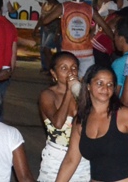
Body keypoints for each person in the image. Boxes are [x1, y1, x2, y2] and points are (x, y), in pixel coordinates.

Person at [55, 65, 128, 182]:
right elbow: (71, 160)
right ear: (88, 86)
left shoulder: (125, 116)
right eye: (99, 83)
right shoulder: (81, 120)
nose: (105, 88)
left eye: (110, 84)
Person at [40, 0, 112, 78]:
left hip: (68, 53)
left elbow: (45, 21)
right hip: (86, 53)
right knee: (85, 82)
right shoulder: (90, 9)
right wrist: (113, 40)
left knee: (68, 82)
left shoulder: (64, 7)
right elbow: (105, 26)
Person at [37, 52, 89, 182]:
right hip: (56, 159)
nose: (70, 72)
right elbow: (58, 123)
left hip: (82, 159)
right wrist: (68, 92)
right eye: (64, 68)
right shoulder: (47, 95)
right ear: (54, 73)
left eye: (74, 68)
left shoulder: (84, 94)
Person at [32, 0, 62, 73]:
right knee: (43, 49)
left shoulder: (57, 6)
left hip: (54, 30)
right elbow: (41, 18)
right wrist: (36, 28)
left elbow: (60, 21)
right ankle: (46, 67)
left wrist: (58, 33)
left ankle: (53, 68)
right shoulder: (45, 4)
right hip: (45, 29)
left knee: (46, 48)